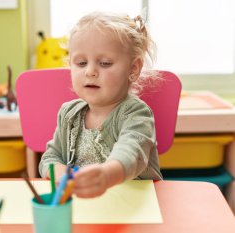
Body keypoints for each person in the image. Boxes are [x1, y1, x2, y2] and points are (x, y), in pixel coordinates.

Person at [38, 11, 163, 198]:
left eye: (105, 63)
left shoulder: (136, 113)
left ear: (133, 69)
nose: (90, 71)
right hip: (87, 207)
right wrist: (58, 171)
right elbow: (49, 158)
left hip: (134, 207)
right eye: (81, 63)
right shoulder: (68, 114)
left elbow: (132, 152)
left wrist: (107, 175)